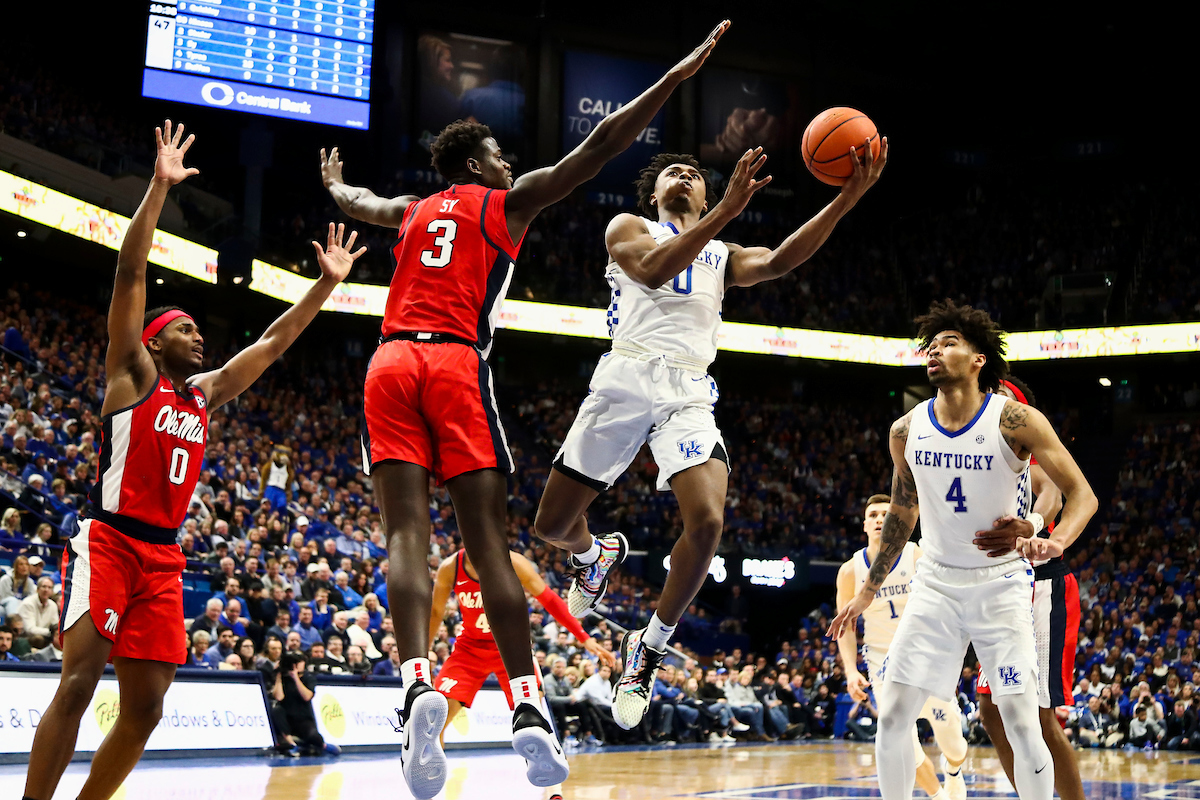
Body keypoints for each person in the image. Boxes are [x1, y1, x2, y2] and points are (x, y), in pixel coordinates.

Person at [320, 21, 730, 798]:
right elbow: (603, 143)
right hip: (449, 362)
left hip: (385, 362)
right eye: (499, 157)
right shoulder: (504, 203)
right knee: (486, 544)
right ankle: (530, 708)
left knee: (405, 534)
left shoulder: (412, 208)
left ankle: (414, 684)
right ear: (478, 164)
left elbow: (359, 200)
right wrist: (673, 80)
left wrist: (333, 188)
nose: (509, 163)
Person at [23, 120, 366, 800]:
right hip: (111, 541)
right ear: (154, 340)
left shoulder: (205, 394)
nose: (198, 334)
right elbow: (130, 270)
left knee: (145, 710)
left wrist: (325, 287)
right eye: (184, 328)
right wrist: (157, 186)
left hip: (164, 558)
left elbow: (270, 344)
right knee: (79, 683)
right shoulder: (131, 373)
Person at [531, 127, 887, 733]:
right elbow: (649, 272)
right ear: (656, 195)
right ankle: (595, 556)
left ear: (703, 197)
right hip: (624, 375)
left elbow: (779, 260)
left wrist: (847, 198)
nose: (686, 176)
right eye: (673, 171)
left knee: (709, 522)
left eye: (696, 173)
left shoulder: (722, 255)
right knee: (552, 526)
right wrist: (724, 210)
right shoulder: (629, 228)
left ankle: (649, 646)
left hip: (688, 390)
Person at [829, 300, 1099, 800]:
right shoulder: (905, 430)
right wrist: (867, 591)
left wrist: (1050, 538)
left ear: (979, 360)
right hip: (935, 583)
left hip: (1000, 584)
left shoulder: (1015, 420)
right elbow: (902, 512)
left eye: (949, 342)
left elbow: (1083, 494)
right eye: (931, 345)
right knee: (893, 717)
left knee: (1021, 719)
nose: (934, 350)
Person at [973, 376, 1086, 800]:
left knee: (1039, 715)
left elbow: (1051, 493)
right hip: (996, 587)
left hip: (1041, 584)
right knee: (989, 710)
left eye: (1003, 398)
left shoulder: (1027, 448)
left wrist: (1033, 523)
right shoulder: (971, 451)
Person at [835, 494, 967, 800]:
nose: (880, 519)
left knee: (953, 743)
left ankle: (954, 770)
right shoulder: (850, 571)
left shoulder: (916, 555)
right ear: (865, 524)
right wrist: (851, 670)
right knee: (902, 742)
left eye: (885, 513)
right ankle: (939, 796)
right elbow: (845, 626)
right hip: (883, 663)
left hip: (927, 657)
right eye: (873, 515)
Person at [428, 547, 615, 745]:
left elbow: (550, 599)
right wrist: (422, 654)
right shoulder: (451, 567)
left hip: (511, 644)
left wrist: (583, 637)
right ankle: (431, 771)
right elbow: (435, 612)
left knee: (533, 718)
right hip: (470, 647)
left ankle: (544, 760)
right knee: (436, 719)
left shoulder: (514, 562)